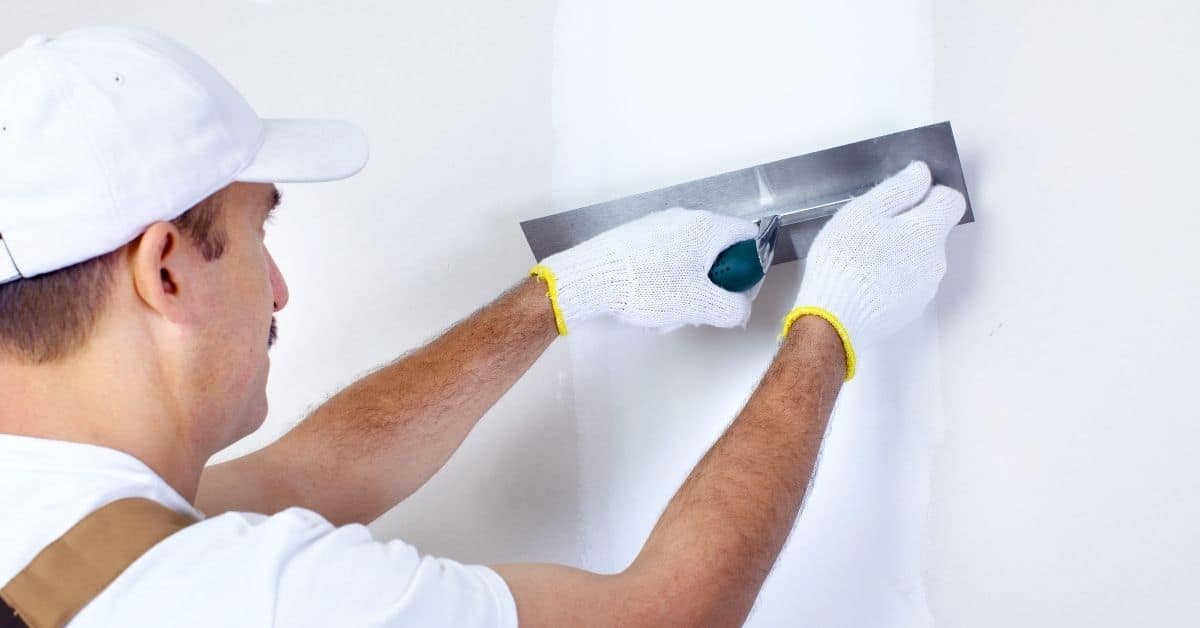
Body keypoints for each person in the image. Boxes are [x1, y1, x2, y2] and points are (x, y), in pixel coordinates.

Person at [0, 26, 965, 628]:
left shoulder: (59, 510)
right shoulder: (249, 599)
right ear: (166, 269)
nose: (281, 290)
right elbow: (663, 617)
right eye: (259, 234)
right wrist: (824, 334)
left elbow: (311, 474)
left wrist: (560, 295)